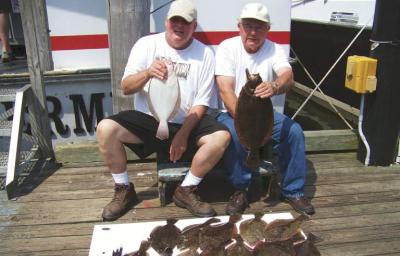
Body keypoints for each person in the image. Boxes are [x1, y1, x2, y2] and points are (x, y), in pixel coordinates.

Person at [96, 0, 230, 221]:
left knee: (221, 137)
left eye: (185, 22)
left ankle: (186, 189)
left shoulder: (205, 54)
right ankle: (123, 189)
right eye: (174, 21)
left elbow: (202, 102)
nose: (179, 26)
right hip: (151, 122)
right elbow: (126, 87)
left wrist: (183, 135)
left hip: (188, 122)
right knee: (105, 128)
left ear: (193, 26)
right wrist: (148, 73)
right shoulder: (146, 45)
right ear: (167, 22)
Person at [215, 2, 315, 215]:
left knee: (294, 131)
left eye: (259, 27)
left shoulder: (275, 49)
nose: (253, 32)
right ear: (239, 26)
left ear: (268, 29)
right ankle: (240, 189)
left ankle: (293, 190)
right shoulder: (226, 47)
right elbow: (225, 90)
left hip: (264, 115)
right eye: (248, 26)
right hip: (231, 113)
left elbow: (288, 77)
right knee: (233, 133)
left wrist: (275, 85)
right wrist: (242, 121)